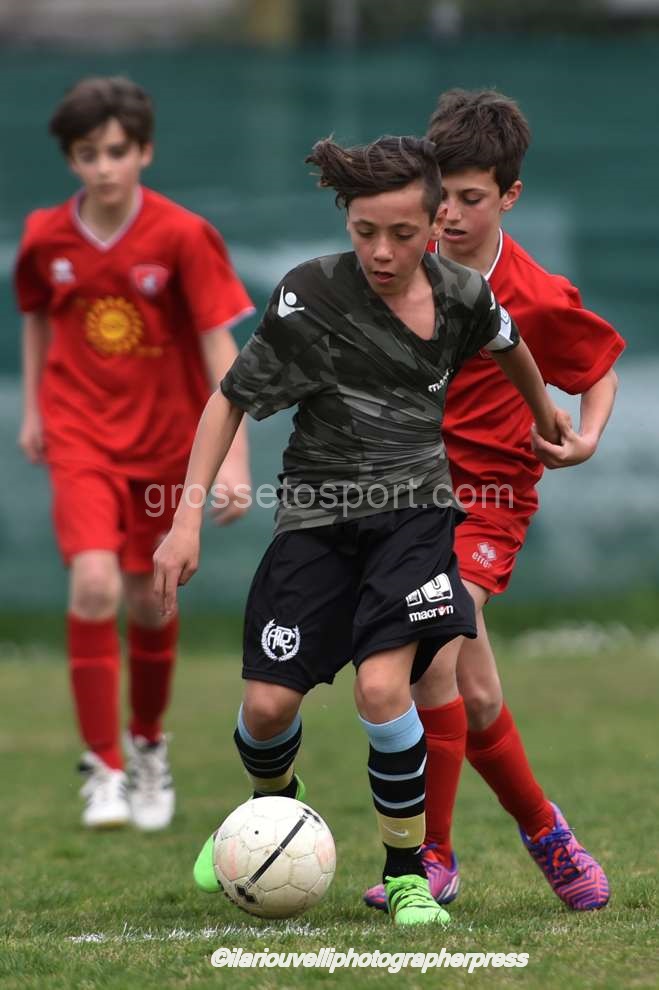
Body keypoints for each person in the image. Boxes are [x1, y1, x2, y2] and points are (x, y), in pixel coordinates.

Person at [153, 134, 566, 926]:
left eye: (401, 234)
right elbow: (228, 398)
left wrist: (545, 419)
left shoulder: (461, 296)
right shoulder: (310, 296)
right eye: (363, 231)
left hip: (415, 519)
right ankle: (269, 808)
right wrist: (184, 522)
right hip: (315, 520)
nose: (381, 251)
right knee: (266, 710)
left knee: (382, 691)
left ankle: (407, 874)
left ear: (434, 223)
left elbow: (511, 346)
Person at [363, 90, 624, 915]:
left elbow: (598, 369)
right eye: (438, 195)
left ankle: (430, 858)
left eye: (470, 198)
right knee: (473, 698)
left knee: (436, 646)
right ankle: (546, 831)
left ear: (509, 195)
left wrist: (586, 437)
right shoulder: (399, 269)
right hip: (405, 501)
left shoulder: (534, 295)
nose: (448, 214)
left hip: (487, 502)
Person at [14, 76, 255, 832]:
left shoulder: (183, 235)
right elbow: (37, 317)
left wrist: (233, 460)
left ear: (144, 152)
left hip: (165, 445)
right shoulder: (45, 236)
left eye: (117, 151)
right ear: (71, 159)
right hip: (80, 438)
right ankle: (104, 769)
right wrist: (34, 409)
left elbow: (221, 346)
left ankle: (148, 745)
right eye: (88, 154)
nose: (103, 167)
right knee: (93, 585)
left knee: (150, 600)